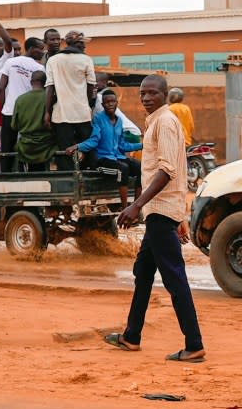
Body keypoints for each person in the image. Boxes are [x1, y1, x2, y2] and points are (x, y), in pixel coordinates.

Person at [104, 75, 206, 363]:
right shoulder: (155, 122)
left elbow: (168, 170)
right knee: (143, 273)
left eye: (152, 93)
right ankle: (131, 336)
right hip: (160, 213)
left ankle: (194, 344)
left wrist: (136, 205)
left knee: (175, 278)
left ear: (165, 95)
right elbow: (179, 173)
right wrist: (180, 217)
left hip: (159, 211)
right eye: (142, 94)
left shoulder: (166, 122)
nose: (146, 98)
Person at [66, 90, 142, 208]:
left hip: (117, 157)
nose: (110, 104)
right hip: (103, 159)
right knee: (123, 169)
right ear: (102, 105)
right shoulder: (98, 119)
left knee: (140, 168)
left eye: (112, 101)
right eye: (107, 102)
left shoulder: (119, 121)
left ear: (117, 103)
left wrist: (142, 145)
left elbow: (122, 145)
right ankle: (125, 209)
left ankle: (136, 207)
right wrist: (77, 146)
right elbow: (94, 140)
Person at [44, 30, 96, 171]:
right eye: (82, 43)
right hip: (82, 114)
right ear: (77, 43)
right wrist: (88, 105)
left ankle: (66, 179)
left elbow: (49, 88)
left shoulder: (53, 60)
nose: (84, 46)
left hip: (61, 115)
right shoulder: (86, 60)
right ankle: (87, 176)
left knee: (64, 150)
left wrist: (47, 112)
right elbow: (91, 86)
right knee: (87, 148)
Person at [0, 37, 45, 171]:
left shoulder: (10, 62)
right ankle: (34, 177)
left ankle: (5, 179)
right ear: (30, 48)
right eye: (40, 49)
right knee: (31, 147)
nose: (42, 52)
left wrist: (2, 110)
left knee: (7, 149)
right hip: (29, 114)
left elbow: (1, 88)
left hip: (9, 112)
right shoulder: (39, 68)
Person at [11, 70, 56, 172]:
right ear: (45, 83)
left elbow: (14, 126)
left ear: (31, 82)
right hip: (47, 145)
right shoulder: (51, 99)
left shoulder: (20, 99)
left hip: (26, 146)